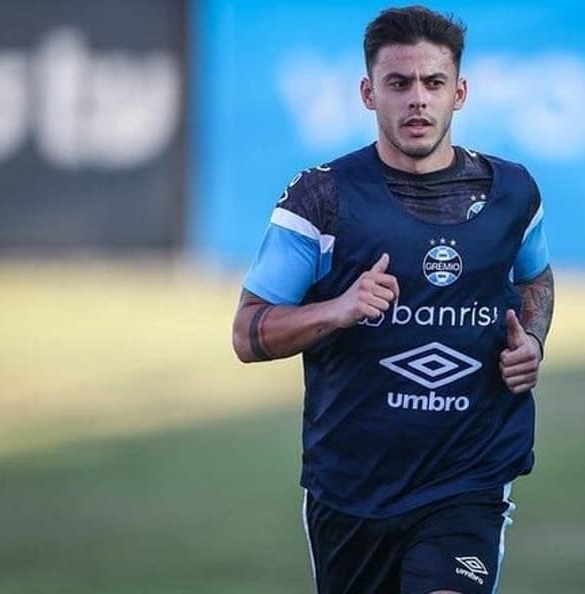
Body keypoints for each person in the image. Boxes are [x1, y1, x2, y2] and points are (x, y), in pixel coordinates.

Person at [232, 6, 554, 593]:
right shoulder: (321, 199)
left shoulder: (513, 194)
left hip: (468, 478)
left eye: (433, 84)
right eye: (398, 83)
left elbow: (535, 280)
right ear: (367, 92)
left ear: (459, 92)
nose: (417, 100)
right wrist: (338, 308)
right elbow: (248, 334)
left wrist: (531, 338)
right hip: (351, 487)